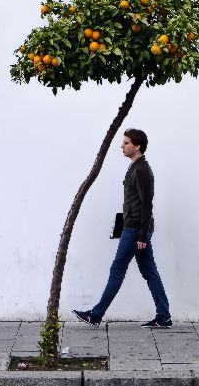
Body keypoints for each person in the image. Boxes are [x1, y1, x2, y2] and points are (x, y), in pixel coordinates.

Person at [72, 128, 172, 329]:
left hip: (136, 229)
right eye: (123, 142)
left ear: (138, 146)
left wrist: (142, 234)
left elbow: (146, 205)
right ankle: (164, 316)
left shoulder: (142, 170)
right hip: (132, 227)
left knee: (118, 268)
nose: (122, 146)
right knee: (150, 271)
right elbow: (133, 202)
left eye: (126, 143)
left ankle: (96, 315)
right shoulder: (134, 167)